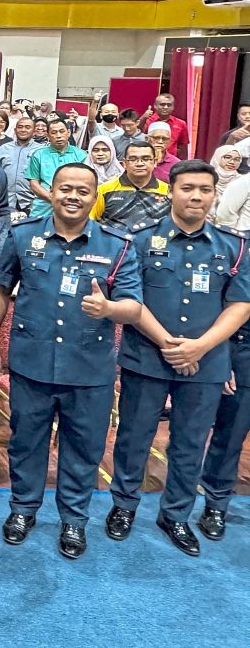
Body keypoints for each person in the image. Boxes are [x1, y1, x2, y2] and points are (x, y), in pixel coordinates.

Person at [0, 162, 143, 558]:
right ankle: (23, 509)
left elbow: (133, 308)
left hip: (89, 368)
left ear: (94, 198)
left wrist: (109, 308)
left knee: (84, 448)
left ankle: (74, 520)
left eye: (82, 191)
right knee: (26, 443)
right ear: (51, 192)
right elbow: (0, 290)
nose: (73, 196)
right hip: (31, 363)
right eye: (65, 189)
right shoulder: (23, 236)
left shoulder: (117, 244)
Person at [105, 160, 250, 556]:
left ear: (215, 194)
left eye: (205, 189)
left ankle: (176, 515)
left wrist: (199, 347)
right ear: (170, 191)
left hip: (206, 362)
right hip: (147, 356)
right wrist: (173, 345)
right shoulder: (138, 240)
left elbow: (240, 305)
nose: (196, 196)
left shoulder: (233, 245)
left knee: (189, 443)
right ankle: (123, 506)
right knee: (134, 438)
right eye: (187, 188)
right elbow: (129, 299)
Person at [91, 140, 170, 230]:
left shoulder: (167, 191)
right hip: (114, 242)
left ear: (155, 162)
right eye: (133, 159)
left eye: (146, 159)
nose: (139, 164)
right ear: (124, 163)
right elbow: (91, 222)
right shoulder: (103, 190)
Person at [25, 116, 86, 217]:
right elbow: (34, 184)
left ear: (69, 133)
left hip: (72, 205)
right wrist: (53, 198)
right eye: (54, 132)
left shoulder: (81, 155)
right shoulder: (38, 155)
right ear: (47, 135)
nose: (58, 136)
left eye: (62, 131)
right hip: (43, 206)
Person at [141, 92, 189, 158]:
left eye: (169, 105)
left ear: (173, 107)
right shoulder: (147, 121)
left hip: (171, 161)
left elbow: (183, 146)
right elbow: (138, 138)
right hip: (150, 159)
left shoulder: (181, 123)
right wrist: (143, 119)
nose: (165, 107)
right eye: (162, 104)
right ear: (155, 106)